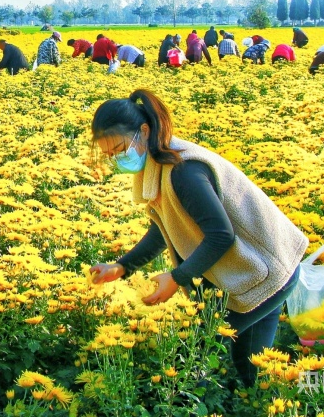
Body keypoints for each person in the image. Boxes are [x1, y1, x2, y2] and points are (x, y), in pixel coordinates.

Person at [88, 89, 308, 388]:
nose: (117, 159)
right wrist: (123, 266)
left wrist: (178, 277)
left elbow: (221, 235)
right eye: (110, 155)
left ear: (144, 130)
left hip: (267, 270)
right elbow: (167, 225)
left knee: (195, 353)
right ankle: (254, 398)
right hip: (252, 269)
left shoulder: (184, 170)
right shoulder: (158, 163)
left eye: (119, 148)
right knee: (251, 372)